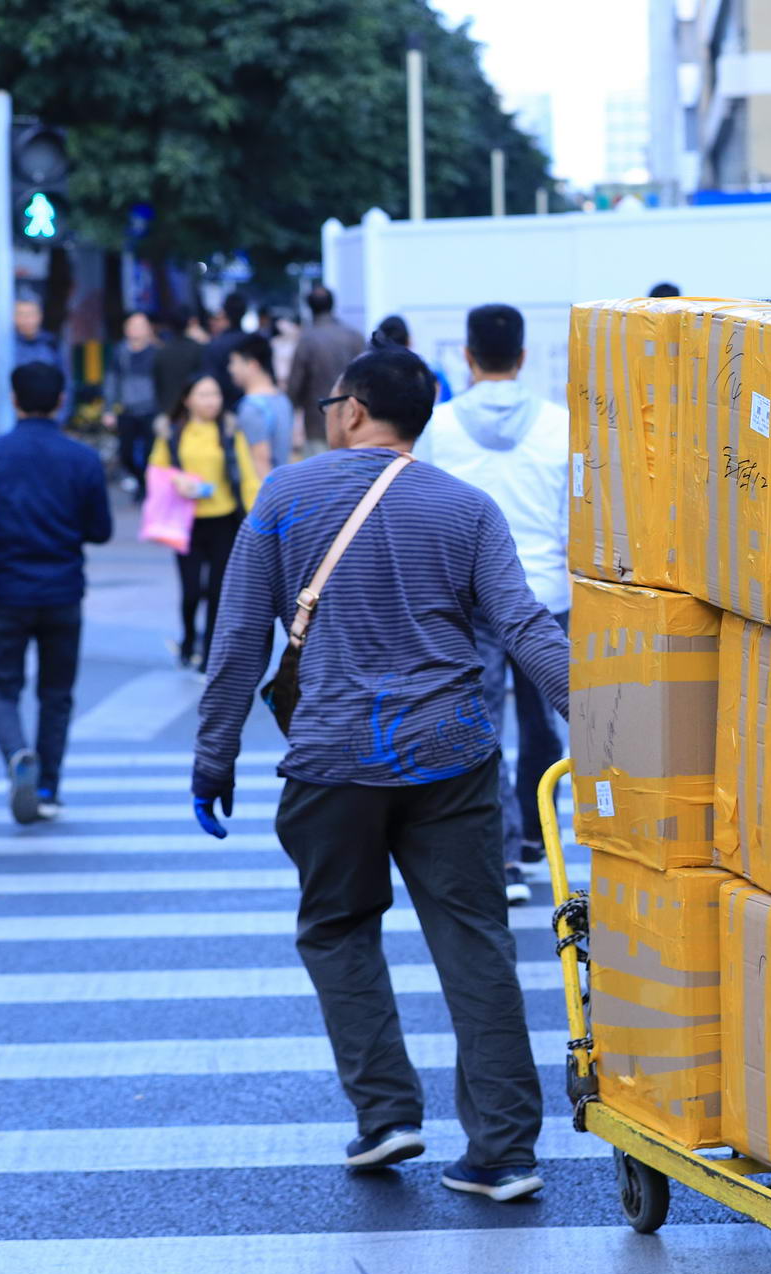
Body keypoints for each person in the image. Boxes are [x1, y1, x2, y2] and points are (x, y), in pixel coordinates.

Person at [193, 342, 567, 1203]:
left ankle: (386, 1110)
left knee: (337, 927)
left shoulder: (286, 496)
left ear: (353, 409)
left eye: (331, 402)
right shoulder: (465, 508)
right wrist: (602, 718)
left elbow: (240, 636)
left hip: (332, 762)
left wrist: (215, 756)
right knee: (474, 940)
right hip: (453, 756)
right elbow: (526, 628)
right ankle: (504, 1149)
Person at [415, 304, 569, 893]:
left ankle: (501, 853)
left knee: (481, 722)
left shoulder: (439, 426)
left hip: (469, 597)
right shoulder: (559, 424)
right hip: (544, 594)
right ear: (523, 357)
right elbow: (570, 522)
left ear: (468, 356)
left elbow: (427, 514)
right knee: (541, 721)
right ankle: (538, 836)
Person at [0, 363, 112, 824]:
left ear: (13, 400)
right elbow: (101, 530)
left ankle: (18, 755)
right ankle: (50, 787)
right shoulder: (83, 459)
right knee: (56, 694)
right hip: (62, 593)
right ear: (61, 401)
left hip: (3, 592)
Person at [160, 373, 259, 671]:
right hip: (186, 521)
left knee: (218, 591)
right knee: (191, 590)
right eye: (203, 394)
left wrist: (258, 514)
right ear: (187, 400)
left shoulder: (229, 431)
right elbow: (157, 469)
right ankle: (189, 637)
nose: (211, 400)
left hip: (224, 520)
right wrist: (177, 480)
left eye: (215, 394)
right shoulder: (173, 432)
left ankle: (209, 651)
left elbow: (248, 475)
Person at [287, 286, 366, 459]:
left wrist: (289, 414)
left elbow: (295, 386)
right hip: (356, 421)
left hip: (318, 423)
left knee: (320, 478)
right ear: (332, 304)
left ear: (309, 308)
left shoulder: (307, 340)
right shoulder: (355, 337)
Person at [102, 310, 160, 499]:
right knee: (125, 454)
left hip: (152, 410)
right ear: (126, 329)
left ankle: (146, 488)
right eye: (132, 326)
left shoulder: (157, 352)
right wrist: (108, 409)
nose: (136, 330)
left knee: (151, 454)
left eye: (141, 326)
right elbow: (112, 381)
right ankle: (142, 482)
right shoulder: (120, 353)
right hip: (127, 409)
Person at [0, 299, 65, 424]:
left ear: (39, 316)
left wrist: (59, 417)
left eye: (30, 314)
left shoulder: (52, 345)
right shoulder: (3, 348)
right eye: (21, 315)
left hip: (48, 420)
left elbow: (64, 383)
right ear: (14, 318)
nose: (27, 320)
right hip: (12, 421)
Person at [229, 333, 292, 476]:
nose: (231, 369)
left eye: (234, 362)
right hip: (282, 484)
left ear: (252, 365)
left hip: (264, 491)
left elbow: (261, 462)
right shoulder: (282, 399)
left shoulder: (251, 408)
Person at [151, 310, 206, 441]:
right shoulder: (199, 349)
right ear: (189, 323)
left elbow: (157, 385)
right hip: (193, 413)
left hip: (169, 413)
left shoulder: (161, 352)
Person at [203, 291, 250, 410]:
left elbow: (210, 379)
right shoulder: (255, 342)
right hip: (252, 405)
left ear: (225, 313)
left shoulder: (215, 345)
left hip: (224, 408)